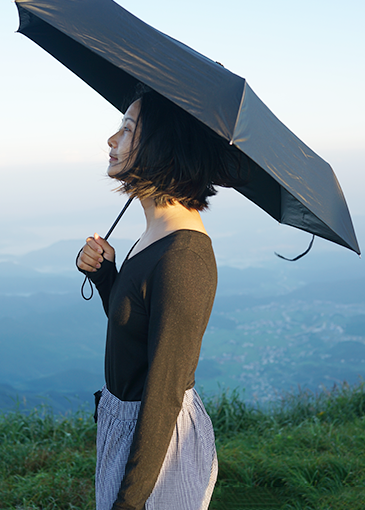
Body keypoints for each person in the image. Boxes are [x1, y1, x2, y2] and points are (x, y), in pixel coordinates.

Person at [77, 88, 241, 510]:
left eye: (127, 130)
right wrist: (106, 276)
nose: (112, 140)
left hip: (159, 447)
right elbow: (134, 330)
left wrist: (129, 502)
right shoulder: (155, 234)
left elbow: (165, 393)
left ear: (161, 146)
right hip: (131, 430)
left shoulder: (183, 258)